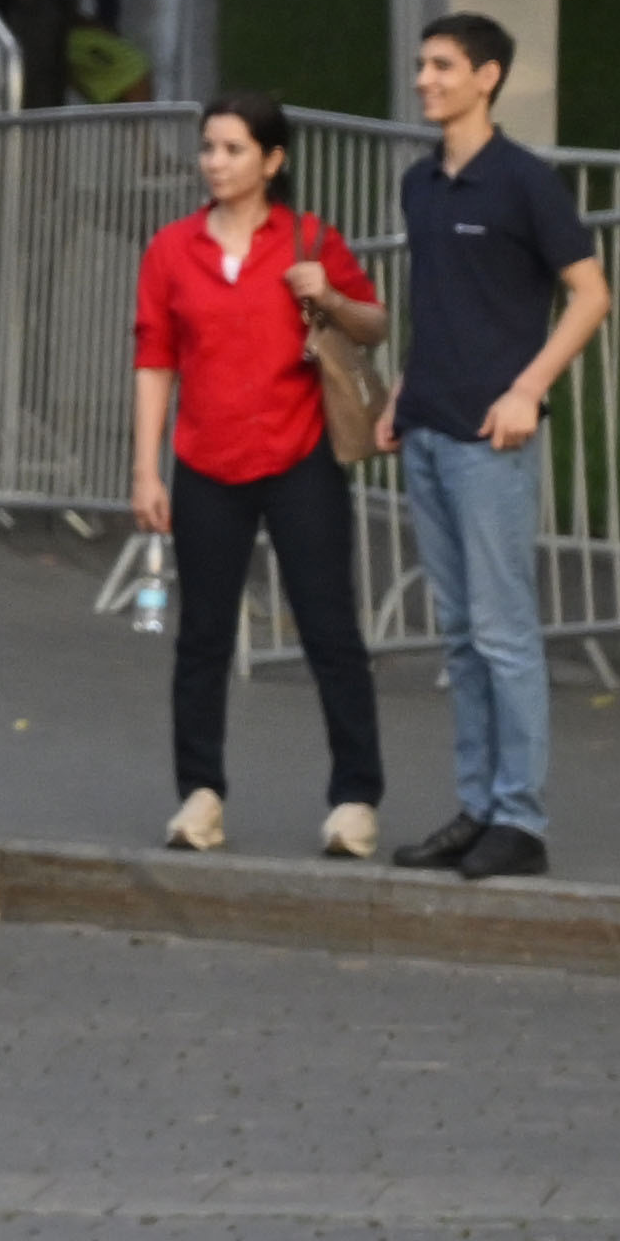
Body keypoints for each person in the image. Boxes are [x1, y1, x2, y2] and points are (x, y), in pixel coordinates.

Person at [133, 91, 386, 860]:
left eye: (233, 149)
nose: (215, 162)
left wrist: (328, 294)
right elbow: (155, 358)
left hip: (299, 455)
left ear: (272, 161)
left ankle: (354, 800)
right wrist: (146, 469)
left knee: (329, 629)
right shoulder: (172, 248)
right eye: (208, 147)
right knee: (202, 636)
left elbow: (374, 323)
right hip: (205, 460)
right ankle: (200, 795)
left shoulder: (310, 238)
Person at [389, 12, 612, 879]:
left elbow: (591, 294)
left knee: (504, 631)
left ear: (487, 78)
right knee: (458, 634)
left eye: (443, 66)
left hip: (491, 440)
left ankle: (520, 819)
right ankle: (478, 806)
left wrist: (529, 388)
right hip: (427, 428)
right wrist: (402, 391)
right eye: (422, 64)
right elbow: (439, 301)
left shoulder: (525, 182)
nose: (425, 79)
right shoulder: (419, 184)